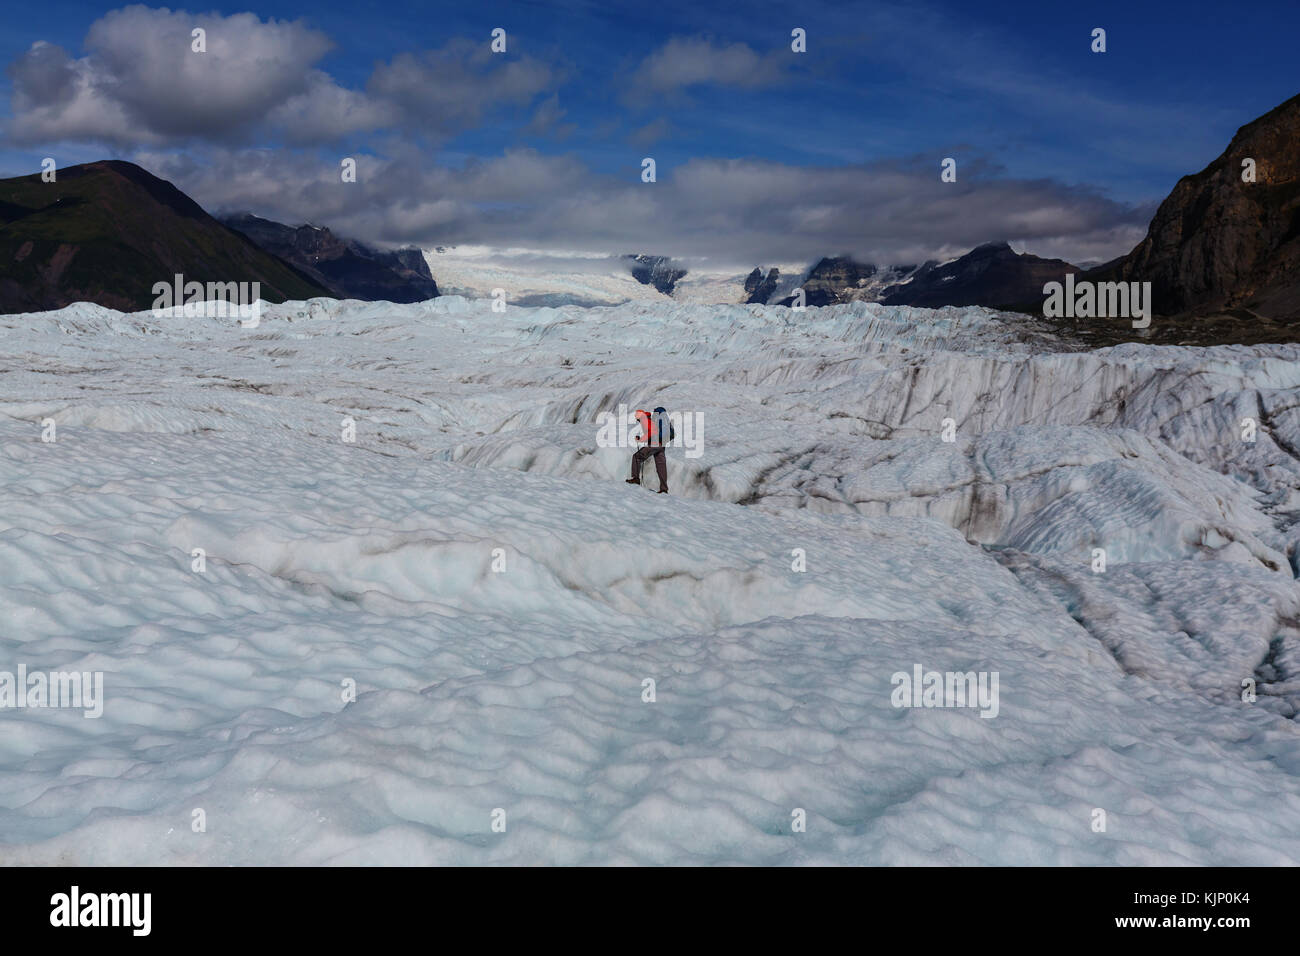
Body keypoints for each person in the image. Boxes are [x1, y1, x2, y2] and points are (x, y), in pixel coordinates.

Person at [626, 406, 674, 493]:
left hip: (654, 444)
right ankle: (664, 489)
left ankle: (636, 479)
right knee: (661, 466)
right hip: (661, 445)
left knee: (636, 457)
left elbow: (651, 433)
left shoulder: (646, 420)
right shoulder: (655, 420)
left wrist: (640, 439)